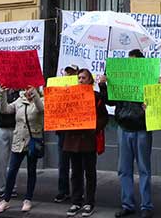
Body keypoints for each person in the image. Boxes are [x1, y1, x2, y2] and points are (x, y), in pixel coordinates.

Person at [102, 49, 153, 218]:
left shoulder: (148, 81)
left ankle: (146, 206)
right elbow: (110, 100)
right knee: (124, 169)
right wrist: (104, 84)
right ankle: (127, 204)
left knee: (144, 169)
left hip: (142, 128)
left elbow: (157, 104)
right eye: (129, 60)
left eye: (134, 61)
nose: (130, 63)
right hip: (123, 127)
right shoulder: (121, 79)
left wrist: (151, 104)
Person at [63, 68, 109, 218]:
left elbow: (104, 117)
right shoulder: (69, 96)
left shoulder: (95, 97)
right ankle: (76, 201)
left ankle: (89, 202)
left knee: (89, 173)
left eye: (84, 78)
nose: (81, 80)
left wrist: (94, 127)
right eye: (79, 78)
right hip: (72, 140)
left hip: (88, 140)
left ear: (90, 80)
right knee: (75, 172)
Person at [0, 85, 44, 213]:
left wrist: (35, 95)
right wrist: (2, 93)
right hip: (18, 141)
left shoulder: (41, 100)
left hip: (33, 141)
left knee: (31, 170)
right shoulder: (19, 100)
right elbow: (5, 109)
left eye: (31, 88)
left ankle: (28, 199)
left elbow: (41, 109)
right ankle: (6, 200)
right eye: (27, 88)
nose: (28, 91)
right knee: (12, 171)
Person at [55, 64, 80, 203]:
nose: (69, 76)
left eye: (72, 74)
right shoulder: (59, 91)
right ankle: (63, 191)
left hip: (76, 133)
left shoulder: (81, 92)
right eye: (67, 73)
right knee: (62, 163)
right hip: (63, 132)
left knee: (76, 165)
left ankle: (77, 192)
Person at [0, 87, 21, 199]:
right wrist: (3, 93)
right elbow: (1, 108)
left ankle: (12, 188)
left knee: (14, 162)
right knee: (1, 161)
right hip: (3, 129)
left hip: (16, 129)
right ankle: (1, 188)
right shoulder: (2, 92)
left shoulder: (20, 94)